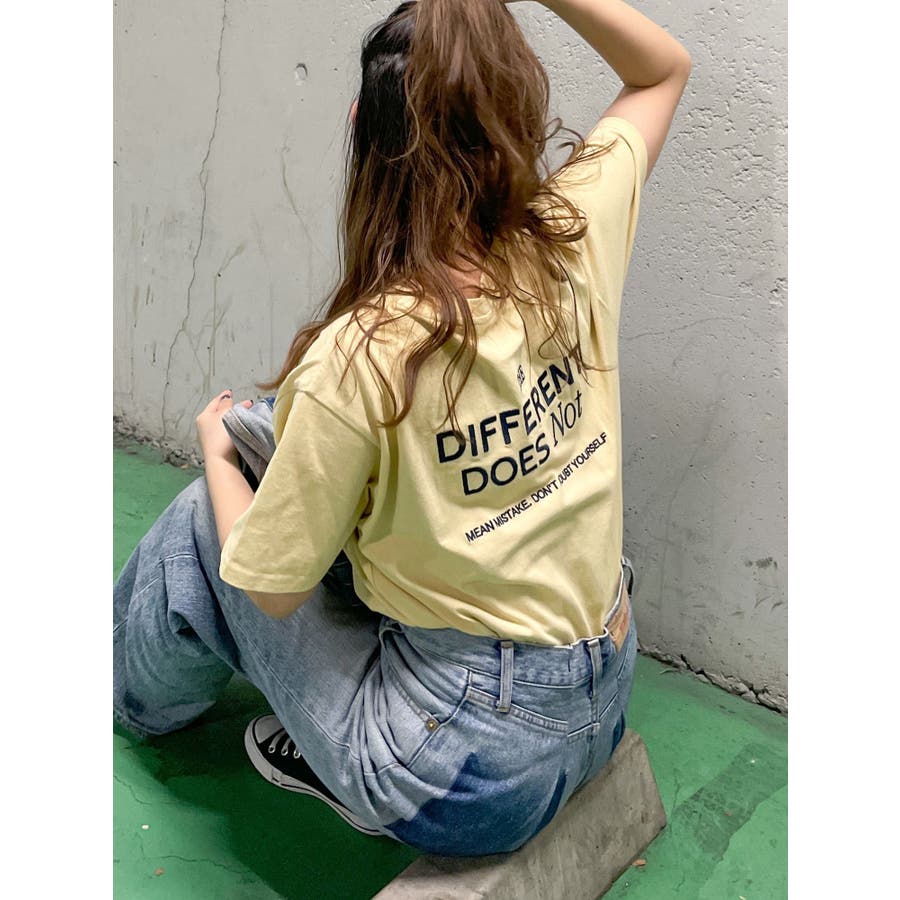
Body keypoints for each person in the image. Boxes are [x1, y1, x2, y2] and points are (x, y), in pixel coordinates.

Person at [113, 0, 690, 858]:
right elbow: (662, 69)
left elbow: (271, 592)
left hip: (466, 782)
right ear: (512, 119)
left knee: (208, 518)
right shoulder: (572, 239)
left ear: (362, 130)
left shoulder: (359, 357)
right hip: (600, 698)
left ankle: (131, 700)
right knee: (286, 440)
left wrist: (216, 456)